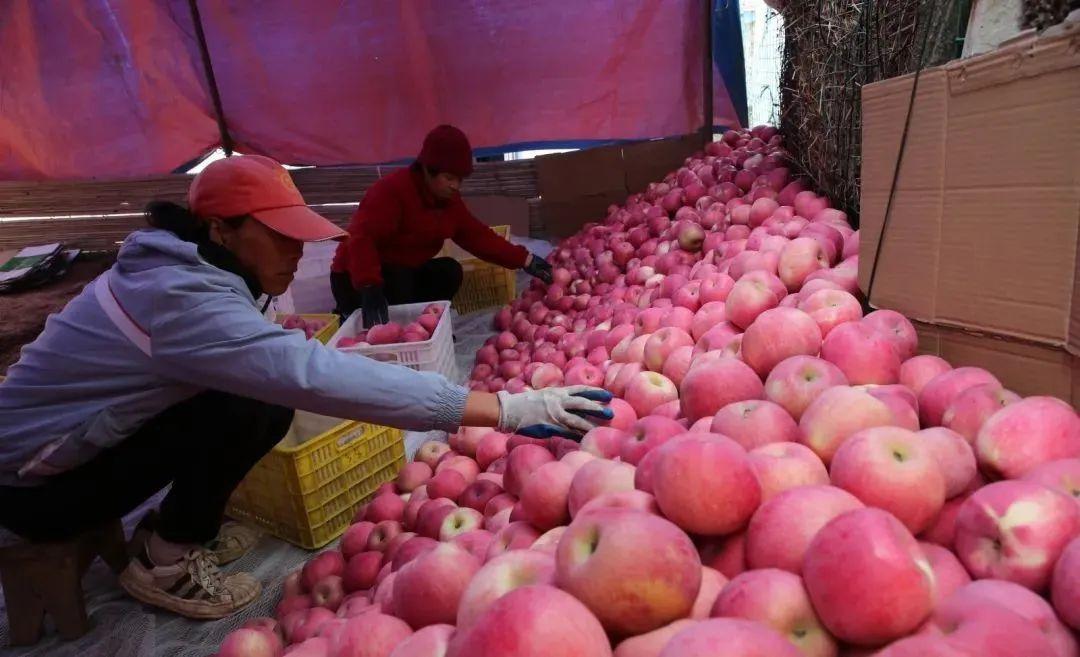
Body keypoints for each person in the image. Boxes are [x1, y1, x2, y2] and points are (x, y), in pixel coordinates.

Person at [0, 155, 608, 620]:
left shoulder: (187, 269)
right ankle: (164, 562)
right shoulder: (178, 299)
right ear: (221, 229)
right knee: (255, 401)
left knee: (252, 398)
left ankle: (172, 527)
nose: (296, 252)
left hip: (74, 451)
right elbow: (312, 375)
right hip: (32, 489)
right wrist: (503, 408)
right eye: (279, 235)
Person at [330, 124, 553, 326]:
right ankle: (362, 316)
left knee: (449, 271)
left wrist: (525, 260)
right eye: (449, 177)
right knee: (399, 281)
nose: (455, 186)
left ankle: (421, 325)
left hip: (403, 272)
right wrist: (369, 286)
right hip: (357, 277)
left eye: (460, 179)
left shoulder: (449, 202)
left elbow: (477, 236)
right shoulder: (391, 192)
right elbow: (361, 238)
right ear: (428, 169)